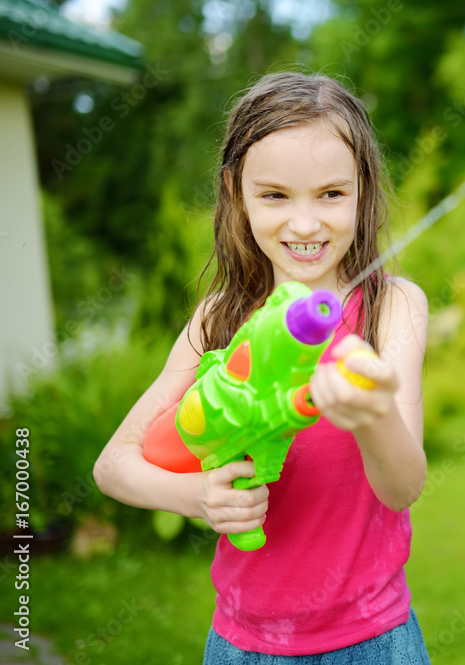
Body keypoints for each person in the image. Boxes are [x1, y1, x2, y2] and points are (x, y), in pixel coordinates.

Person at [94, 72, 431, 663]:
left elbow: (402, 488)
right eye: (275, 195)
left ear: (364, 188)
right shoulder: (218, 319)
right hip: (242, 646)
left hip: (374, 641)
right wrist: (197, 494)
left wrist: (371, 414)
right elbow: (113, 466)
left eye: (331, 194)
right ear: (235, 192)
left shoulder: (392, 307)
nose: (305, 225)